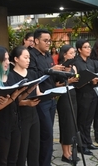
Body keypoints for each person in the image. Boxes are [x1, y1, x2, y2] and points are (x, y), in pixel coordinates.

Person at [0, 46, 27, 166]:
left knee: (13, 159)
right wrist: (13, 97)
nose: (7, 62)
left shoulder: (11, 76)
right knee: (2, 160)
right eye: (4, 60)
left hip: (15, 123)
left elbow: (16, 100)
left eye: (8, 59)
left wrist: (27, 90)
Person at [28, 28, 64, 166]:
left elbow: (51, 76)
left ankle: (46, 162)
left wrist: (61, 71)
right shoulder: (31, 56)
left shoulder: (48, 55)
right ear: (36, 41)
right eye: (45, 40)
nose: (48, 43)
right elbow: (33, 75)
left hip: (51, 98)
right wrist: (50, 71)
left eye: (49, 40)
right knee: (46, 134)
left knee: (48, 135)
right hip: (40, 100)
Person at [8, 46, 41, 166]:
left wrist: (47, 95)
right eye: (25, 57)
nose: (28, 60)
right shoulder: (11, 76)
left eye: (29, 58)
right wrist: (26, 102)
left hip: (34, 114)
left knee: (34, 148)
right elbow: (12, 100)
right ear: (16, 59)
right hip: (21, 117)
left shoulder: (32, 73)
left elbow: (38, 92)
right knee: (22, 150)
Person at [73, 39, 98, 156]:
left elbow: (93, 76)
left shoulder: (91, 62)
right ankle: (81, 145)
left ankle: (88, 142)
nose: (89, 49)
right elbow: (77, 80)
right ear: (79, 50)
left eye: (89, 47)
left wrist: (97, 79)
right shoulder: (76, 63)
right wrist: (89, 80)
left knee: (89, 120)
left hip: (92, 93)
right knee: (82, 121)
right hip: (82, 94)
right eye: (86, 47)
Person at [56, 44, 80, 163]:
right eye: (71, 53)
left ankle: (70, 151)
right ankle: (65, 154)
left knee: (72, 125)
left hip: (73, 95)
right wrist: (68, 81)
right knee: (66, 125)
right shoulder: (59, 67)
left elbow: (77, 77)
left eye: (74, 53)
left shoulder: (73, 67)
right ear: (64, 54)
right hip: (64, 97)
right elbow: (55, 85)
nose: (73, 55)